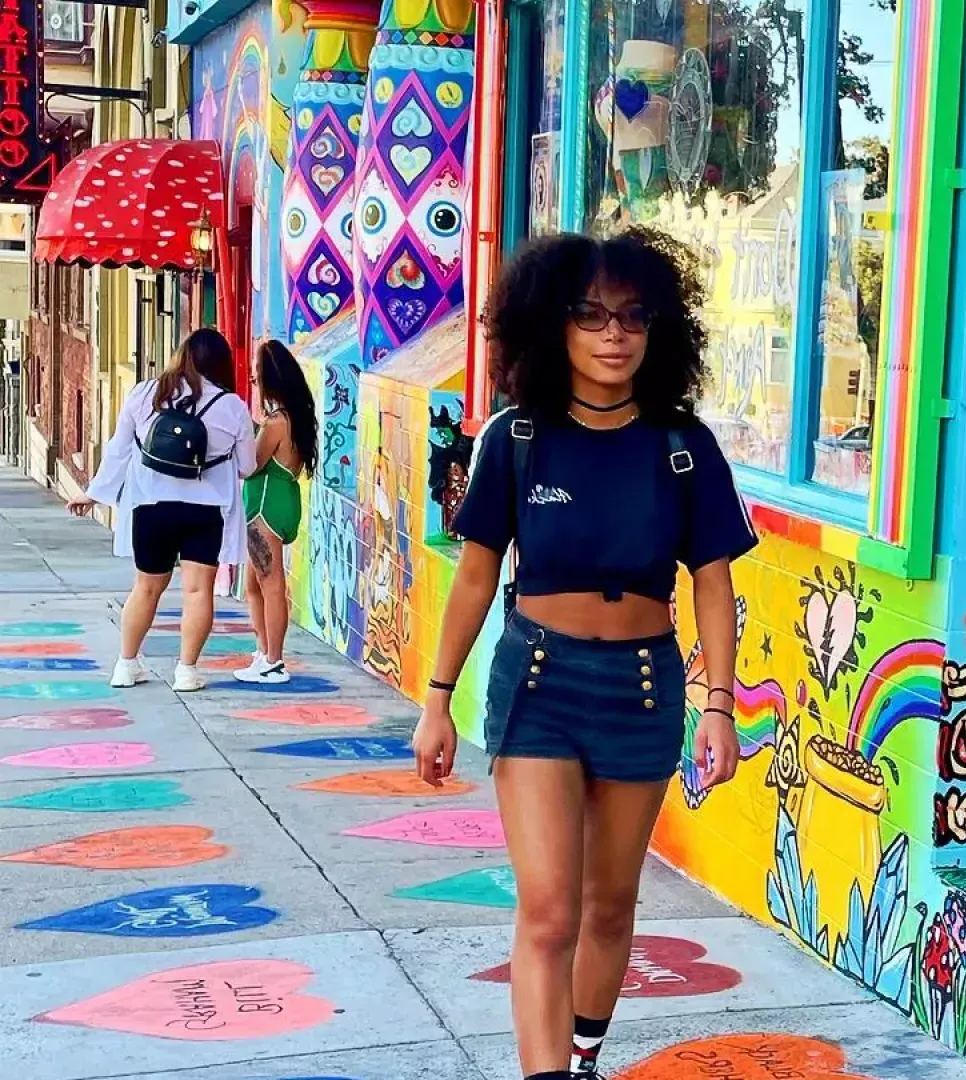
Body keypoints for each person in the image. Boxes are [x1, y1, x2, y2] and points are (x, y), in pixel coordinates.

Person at [411, 228, 756, 1080]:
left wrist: (720, 707)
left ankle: (585, 1056)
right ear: (550, 324)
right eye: (591, 313)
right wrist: (436, 698)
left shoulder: (683, 446)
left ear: (659, 329)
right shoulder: (516, 438)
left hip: (645, 689)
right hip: (539, 684)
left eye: (634, 315)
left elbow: (713, 583)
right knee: (551, 912)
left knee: (609, 907)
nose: (614, 332)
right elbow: (474, 579)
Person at [68, 328, 255, 692]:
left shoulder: (144, 394)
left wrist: (93, 494)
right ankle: (186, 671)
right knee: (198, 591)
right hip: (204, 512)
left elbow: (119, 450)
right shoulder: (233, 407)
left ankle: (126, 664)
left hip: (151, 508)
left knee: (145, 588)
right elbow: (246, 467)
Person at [236, 339, 319, 684]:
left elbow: (250, 466)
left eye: (257, 377)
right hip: (284, 504)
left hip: (265, 509)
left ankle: (274, 660)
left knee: (271, 585)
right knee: (253, 586)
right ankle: (263, 651)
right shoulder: (297, 418)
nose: (254, 382)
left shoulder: (274, 424)